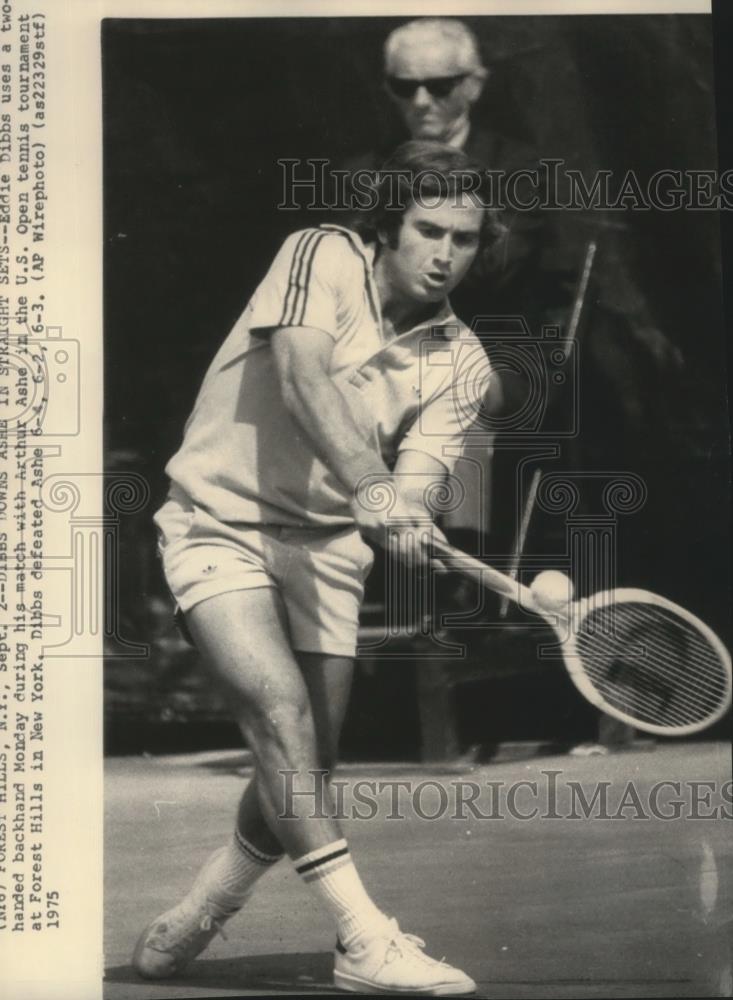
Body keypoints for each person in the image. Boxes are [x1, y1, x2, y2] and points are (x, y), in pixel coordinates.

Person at [132, 141, 499, 995]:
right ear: (389, 227)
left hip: (327, 549)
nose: (444, 253)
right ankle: (362, 940)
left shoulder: (466, 361)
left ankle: (203, 909)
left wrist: (403, 516)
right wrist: (374, 486)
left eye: (465, 238)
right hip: (217, 522)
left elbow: (416, 483)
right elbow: (300, 374)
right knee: (279, 713)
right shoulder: (320, 252)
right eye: (427, 229)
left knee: (306, 762)